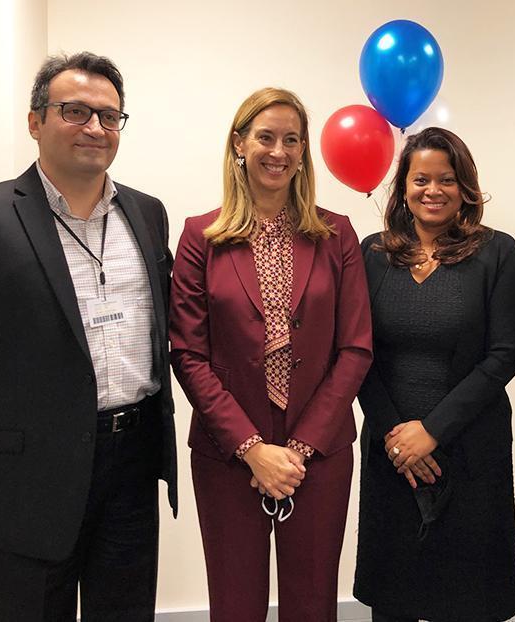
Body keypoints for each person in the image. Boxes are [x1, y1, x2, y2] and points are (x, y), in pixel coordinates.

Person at [0, 52, 177, 622]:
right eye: (74, 111)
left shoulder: (148, 214)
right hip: (24, 480)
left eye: (109, 116)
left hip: (131, 464)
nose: (95, 128)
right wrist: (6, 431)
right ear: (35, 121)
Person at [169, 87, 372, 622]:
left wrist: (300, 449)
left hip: (320, 451)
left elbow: (354, 348)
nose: (277, 151)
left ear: (304, 152)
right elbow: (188, 354)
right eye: (265, 137)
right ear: (239, 143)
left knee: (312, 604)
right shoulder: (201, 237)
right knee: (235, 605)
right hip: (227, 452)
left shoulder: (337, 234)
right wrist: (252, 448)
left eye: (291, 140)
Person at [354, 127, 515, 622]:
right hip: (391, 455)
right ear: (403, 187)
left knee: (467, 598)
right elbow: (356, 352)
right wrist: (398, 440)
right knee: (395, 596)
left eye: (447, 180)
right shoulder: (372, 254)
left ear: (465, 188)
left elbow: (503, 356)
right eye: (421, 179)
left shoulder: (497, 253)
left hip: (469, 451)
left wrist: (430, 432)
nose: (433, 190)